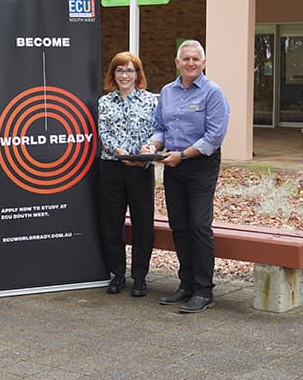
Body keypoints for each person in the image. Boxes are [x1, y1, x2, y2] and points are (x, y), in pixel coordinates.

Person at [142, 40, 229, 313]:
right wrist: (153, 146)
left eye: (196, 59)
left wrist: (184, 155)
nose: (191, 63)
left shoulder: (213, 93)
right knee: (178, 226)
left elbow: (214, 136)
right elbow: (160, 128)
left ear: (203, 63)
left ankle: (204, 291)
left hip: (201, 164)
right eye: (186, 59)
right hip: (173, 165)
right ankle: (186, 285)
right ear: (177, 62)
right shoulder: (167, 92)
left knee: (199, 226)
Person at [97, 52, 158, 297]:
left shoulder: (151, 100)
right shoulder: (104, 102)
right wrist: (119, 151)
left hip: (141, 169)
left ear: (137, 74)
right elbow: (104, 132)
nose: (125, 75)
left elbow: (157, 130)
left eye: (130, 70)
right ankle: (117, 274)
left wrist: (149, 149)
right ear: (113, 74)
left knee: (143, 223)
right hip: (112, 167)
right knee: (112, 222)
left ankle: (140, 277)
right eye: (120, 70)